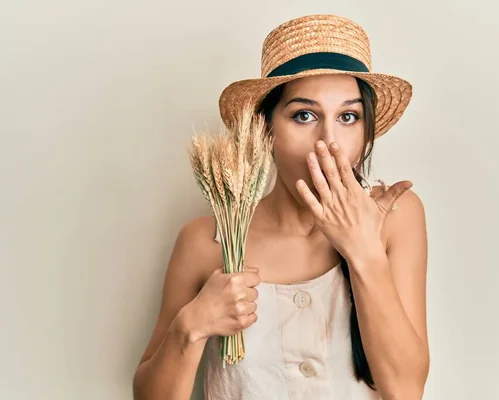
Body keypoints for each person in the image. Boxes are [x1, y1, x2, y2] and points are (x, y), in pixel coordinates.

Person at [133, 14, 429, 400]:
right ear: (265, 128)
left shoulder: (394, 217)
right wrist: (190, 327)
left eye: (348, 117)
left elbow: (406, 391)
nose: (329, 141)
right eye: (304, 115)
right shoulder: (209, 239)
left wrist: (364, 253)